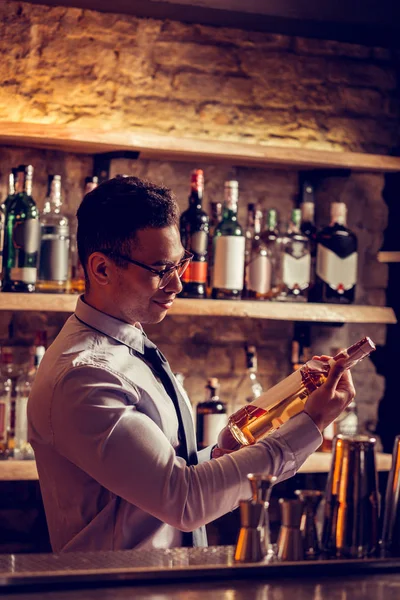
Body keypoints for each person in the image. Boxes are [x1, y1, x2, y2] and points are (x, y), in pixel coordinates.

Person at [28, 176, 355, 553]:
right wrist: (310, 426)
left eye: (180, 263)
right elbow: (183, 500)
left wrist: (221, 454)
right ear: (101, 270)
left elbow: (161, 473)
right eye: (159, 269)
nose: (178, 284)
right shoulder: (84, 376)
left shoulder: (126, 348)